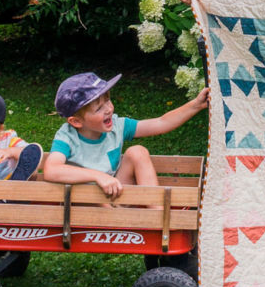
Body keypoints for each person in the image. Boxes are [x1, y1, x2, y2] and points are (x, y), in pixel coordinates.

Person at [42, 71, 208, 198]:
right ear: (76, 122)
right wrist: (98, 176)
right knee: (89, 196)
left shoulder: (117, 126)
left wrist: (196, 105)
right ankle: (120, 218)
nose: (108, 109)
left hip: (115, 194)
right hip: (85, 203)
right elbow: (51, 170)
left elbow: (161, 123)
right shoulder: (67, 137)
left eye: (107, 100)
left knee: (137, 151)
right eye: (99, 108)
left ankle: (157, 216)